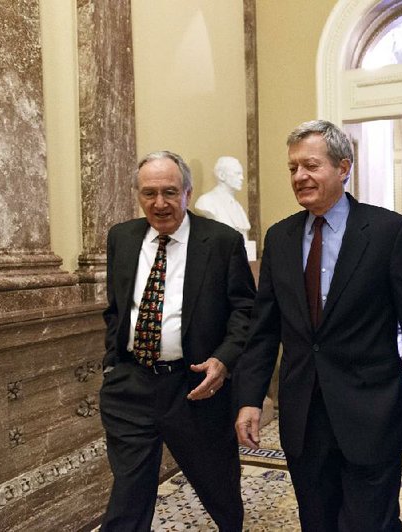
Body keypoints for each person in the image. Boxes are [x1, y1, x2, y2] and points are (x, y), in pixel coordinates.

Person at [234, 120, 402, 531]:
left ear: (343, 167)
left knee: (372, 523)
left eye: (311, 166)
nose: (300, 176)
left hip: (369, 413)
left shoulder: (387, 231)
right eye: (293, 168)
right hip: (303, 418)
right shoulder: (280, 238)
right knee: (316, 522)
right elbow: (264, 329)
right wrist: (250, 398)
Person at [99, 150, 256, 531]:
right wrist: (112, 365)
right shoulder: (122, 237)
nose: (159, 203)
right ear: (138, 194)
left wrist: (224, 359)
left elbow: (245, 312)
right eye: (149, 193)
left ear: (187, 192)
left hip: (195, 388)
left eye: (170, 192)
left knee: (218, 488)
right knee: (128, 496)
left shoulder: (221, 242)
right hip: (131, 386)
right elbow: (117, 308)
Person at [194, 156, 252, 241]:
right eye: (237, 173)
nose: (242, 178)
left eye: (242, 174)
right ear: (221, 175)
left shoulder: (237, 206)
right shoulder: (206, 202)